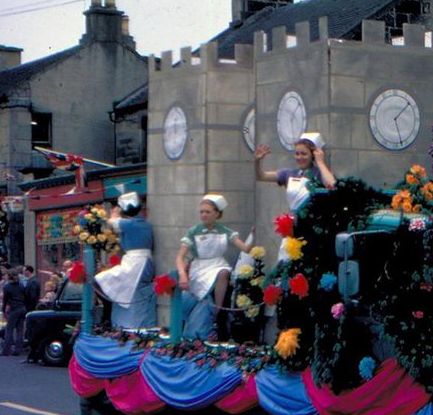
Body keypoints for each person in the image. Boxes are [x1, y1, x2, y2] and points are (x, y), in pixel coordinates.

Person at [175, 194, 249, 339]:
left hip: (217, 264)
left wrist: (253, 237)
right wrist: (183, 274)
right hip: (199, 267)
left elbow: (245, 248)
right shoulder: (194, 231)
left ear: (217, 214)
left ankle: (217, 310)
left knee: (223, 273)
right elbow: (179, 257)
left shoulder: (225, 231)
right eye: (201, 212)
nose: (204, 215)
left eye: (207, 212)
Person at [95, 192, 157, 329]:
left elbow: (111, 222)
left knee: (101, 279)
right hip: (135, 261)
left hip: (137, 263)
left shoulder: (132, 224)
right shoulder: (142, 224)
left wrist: (114, 214)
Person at [254, 134, 336, 214]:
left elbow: (332, 184)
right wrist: (257, 161)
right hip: (295, 221)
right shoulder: (289, 174)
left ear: (312, 155)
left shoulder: (319, 173)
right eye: (297, 154)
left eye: (304, 154)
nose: (300, 157)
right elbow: (261, 176)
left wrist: (320, 162)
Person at [0, 267, 28, 356]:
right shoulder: (21, 285)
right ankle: (17, 350)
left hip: (14, 309)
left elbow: (5, 300)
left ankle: (6, 350)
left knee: (9, 330)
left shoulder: (7, 287)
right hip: (22, 308)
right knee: (20, 330)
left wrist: (3, 310)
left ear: (9, 276)